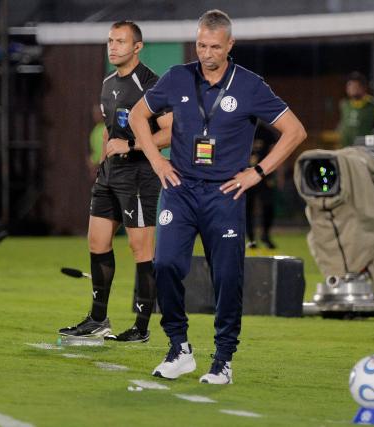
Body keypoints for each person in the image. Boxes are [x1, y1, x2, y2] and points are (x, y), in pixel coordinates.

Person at [129, 9, 306, 384]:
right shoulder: (178, 77)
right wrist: (157, 163)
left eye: (213, 47)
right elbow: (137, 116)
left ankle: (223, 359)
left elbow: (294, 132)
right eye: (200, 45)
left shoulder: (250, 85)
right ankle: (179, 347)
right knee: (164, 266)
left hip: (224, 194)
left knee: (227, 276)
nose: (206, 53)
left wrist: (256, 173)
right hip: (179, 189)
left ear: (230, 45)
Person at [58, 20, 172, 343]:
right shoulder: (108, 82)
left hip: (139, 174)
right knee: (96, 241)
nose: (113, 47)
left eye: (120, 42)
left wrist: (131, 145)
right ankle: (97, 318)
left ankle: (141, 326)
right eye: (110, 41)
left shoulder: (151, 84)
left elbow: (171, 131)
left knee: (140, 248)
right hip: (110, 174)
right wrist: (108, 150)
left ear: (137, 47)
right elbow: (111, 125)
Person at [246, 121, 281, 249]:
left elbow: (275, 153)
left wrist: (275, 175)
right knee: (246, 208)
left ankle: (265, 235)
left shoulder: (267, 133)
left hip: (264, 176)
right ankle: (250, 239)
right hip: (245, 175)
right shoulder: (241, 128)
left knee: (268, 206)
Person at [337, 71, 374, 147]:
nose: (352, 88)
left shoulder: (373, 105)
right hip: (345, 146)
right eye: (349, 86)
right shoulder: (344, 104)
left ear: (363, 87)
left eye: (355, 86)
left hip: (364, 148)